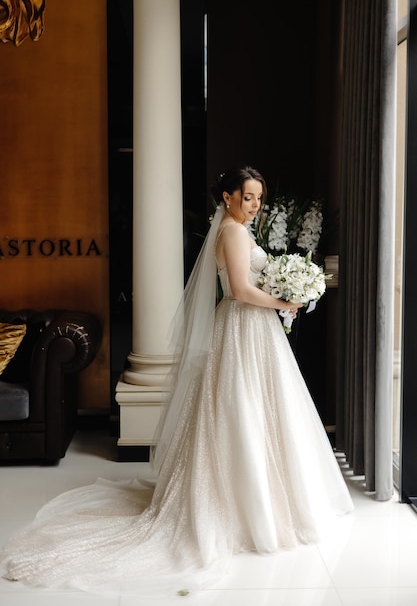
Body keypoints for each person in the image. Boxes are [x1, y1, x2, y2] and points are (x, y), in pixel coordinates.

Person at [0, 165, 353, 595]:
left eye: (260, 198)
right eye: (248, 197)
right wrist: (284, 300)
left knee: (252, 407)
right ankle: (247, 508)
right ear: (227, 198)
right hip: (245, 324)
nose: (256, 205)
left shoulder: (234, 229)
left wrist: (283, 294)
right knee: (243, 406)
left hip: (250, 328)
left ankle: (259, 497)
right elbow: (240, 290)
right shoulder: (232, 233)